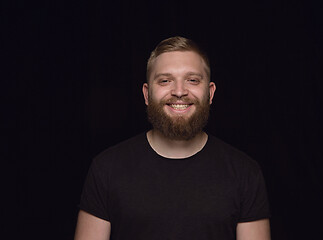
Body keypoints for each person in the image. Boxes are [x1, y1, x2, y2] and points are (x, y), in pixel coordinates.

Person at [74, 36, 271, 240]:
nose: (179, 92)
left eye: (192, 80)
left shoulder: (245, 173)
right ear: (147, 94)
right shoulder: (106, 169)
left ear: (210, 93)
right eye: (165, 81)